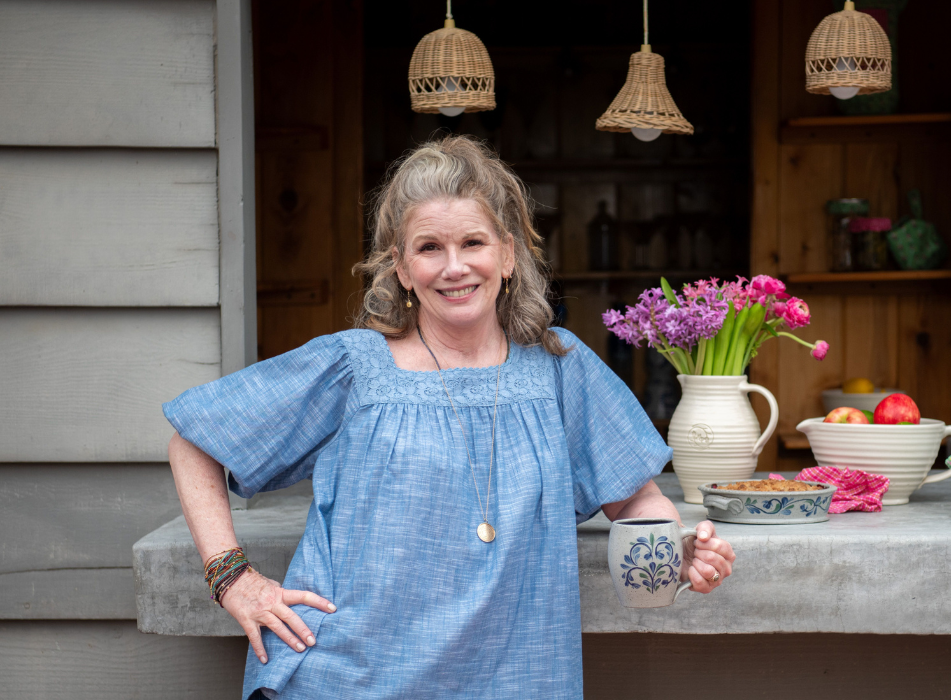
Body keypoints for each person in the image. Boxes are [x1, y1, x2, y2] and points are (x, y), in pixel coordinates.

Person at [165, 135, 735, 699]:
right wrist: (233, 578)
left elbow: (635, 499)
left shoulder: (559, 367)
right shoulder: (353, 366)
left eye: (473, 242)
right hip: (347, 677)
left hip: (517, 679)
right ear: (402, 268)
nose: (455, 267)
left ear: (508, 254)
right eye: (429, 247)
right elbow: (195, 443)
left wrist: (675, 551)